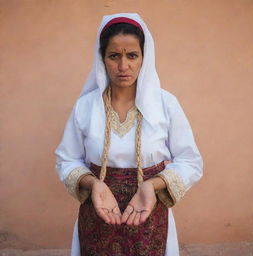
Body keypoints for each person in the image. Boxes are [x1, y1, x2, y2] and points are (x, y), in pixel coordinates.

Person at [55, 13, 203, 256]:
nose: (123, 66)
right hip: (98, 215)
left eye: (132, 55)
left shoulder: (166, 105)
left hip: (150, 215)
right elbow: (66, 159)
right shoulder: (86, 107)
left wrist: (153, 186)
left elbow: (191, 161)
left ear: (144, 57)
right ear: (102, 58)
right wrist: (93, 184)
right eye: (114, 56)